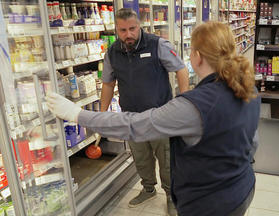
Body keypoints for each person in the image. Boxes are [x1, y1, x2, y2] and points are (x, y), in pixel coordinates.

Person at [47, 21, 261, 216]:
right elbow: (252, 143)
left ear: (196, 56)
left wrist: (77, 114)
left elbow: (133, 125)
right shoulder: (246, 88)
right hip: (242, 188)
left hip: (209, 204)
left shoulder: (193, 107)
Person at [98, 8, 189, 215]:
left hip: (160, 116)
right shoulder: (112, 52)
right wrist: (102, 115)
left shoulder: (157, 44)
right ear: (116, 30)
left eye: (132, 28)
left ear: (139, 26)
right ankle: (148, 189)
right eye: (123, 30)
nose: (128, 34)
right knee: (141, 158)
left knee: (166, 160)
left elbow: (181, 69)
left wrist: (185, 102)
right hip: (131, 118)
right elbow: (108, 84)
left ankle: (171, 195)